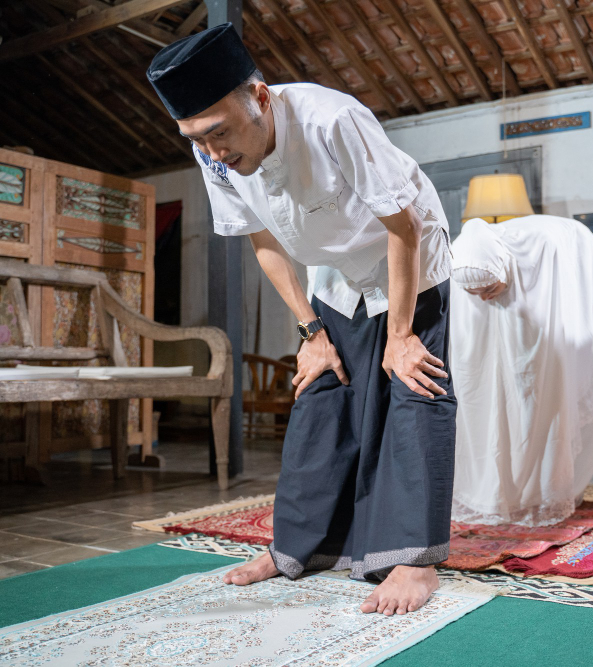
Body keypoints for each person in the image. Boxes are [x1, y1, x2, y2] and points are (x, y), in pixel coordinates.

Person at [147, 24, 455, 616]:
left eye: (219, 132)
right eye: (196, 138)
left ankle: (415, 560)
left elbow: (404, 225)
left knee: (415, 387)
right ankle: (296, 547)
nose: (213, 152)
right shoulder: (213, 154)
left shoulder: (333, 120)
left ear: (260, 98)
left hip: (407, 257)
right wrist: (311, 333)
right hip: (335, 271)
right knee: (321, 394)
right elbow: (262, 240)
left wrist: (400, 335)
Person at [449, 215, 593, 526]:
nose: (484, 298)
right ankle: (498, 489)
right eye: (474, 293)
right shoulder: (465, 258)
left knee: (546, 396)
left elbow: (555, 327)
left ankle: (543, 491)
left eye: (489, 288)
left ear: (503, 268)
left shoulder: (547, 250)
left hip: (554, 286)